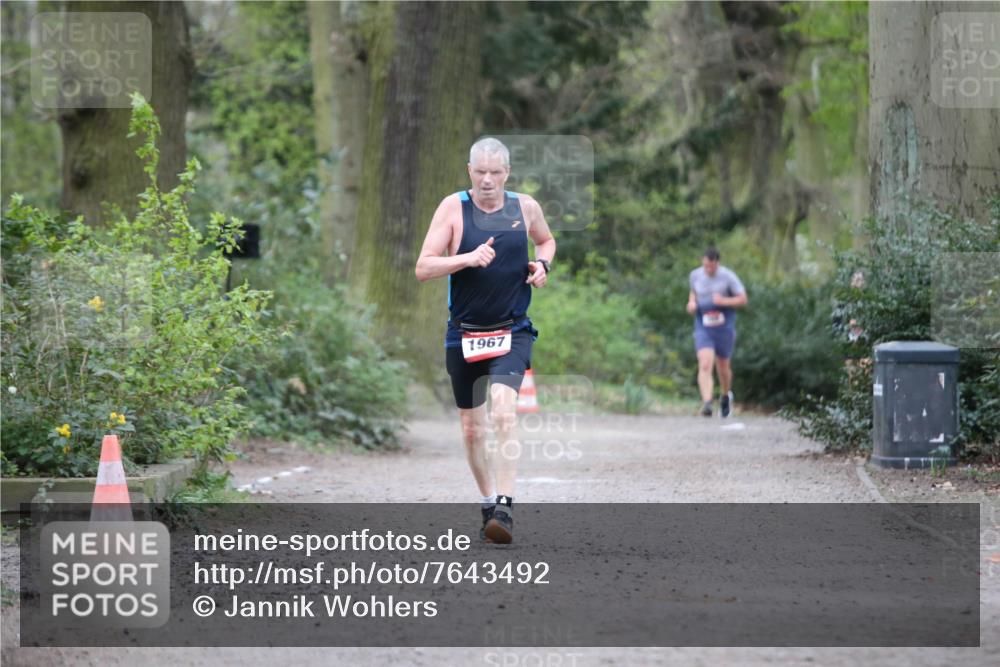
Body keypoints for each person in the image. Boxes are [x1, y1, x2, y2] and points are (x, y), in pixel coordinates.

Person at [415, 137, 556, 544]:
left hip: (512, 330)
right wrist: (467, 258)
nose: (488, 180)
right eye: (480, 172)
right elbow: (423, 267)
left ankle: (505, 509)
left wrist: (542, 264)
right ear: (469, 171)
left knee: (504, 414)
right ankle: (487, 501)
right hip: (464, 334)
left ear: (507, 173)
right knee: (472, 430)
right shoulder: (452, 208)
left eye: (496, 173)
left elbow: (546, 240)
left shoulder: (525, 207)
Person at [686, 247, 747, 418]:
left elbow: (743, 299)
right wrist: (691, 303)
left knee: (723, 367)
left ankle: (726, 395)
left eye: (711, 267)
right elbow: (693, 293)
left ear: (717, 264)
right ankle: (707, 403)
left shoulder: (728, 276)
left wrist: (724, 301)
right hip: (703, 324)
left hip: (723, 325)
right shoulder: (695, 275)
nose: (708, 270)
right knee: (705, 363)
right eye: (706, 266)